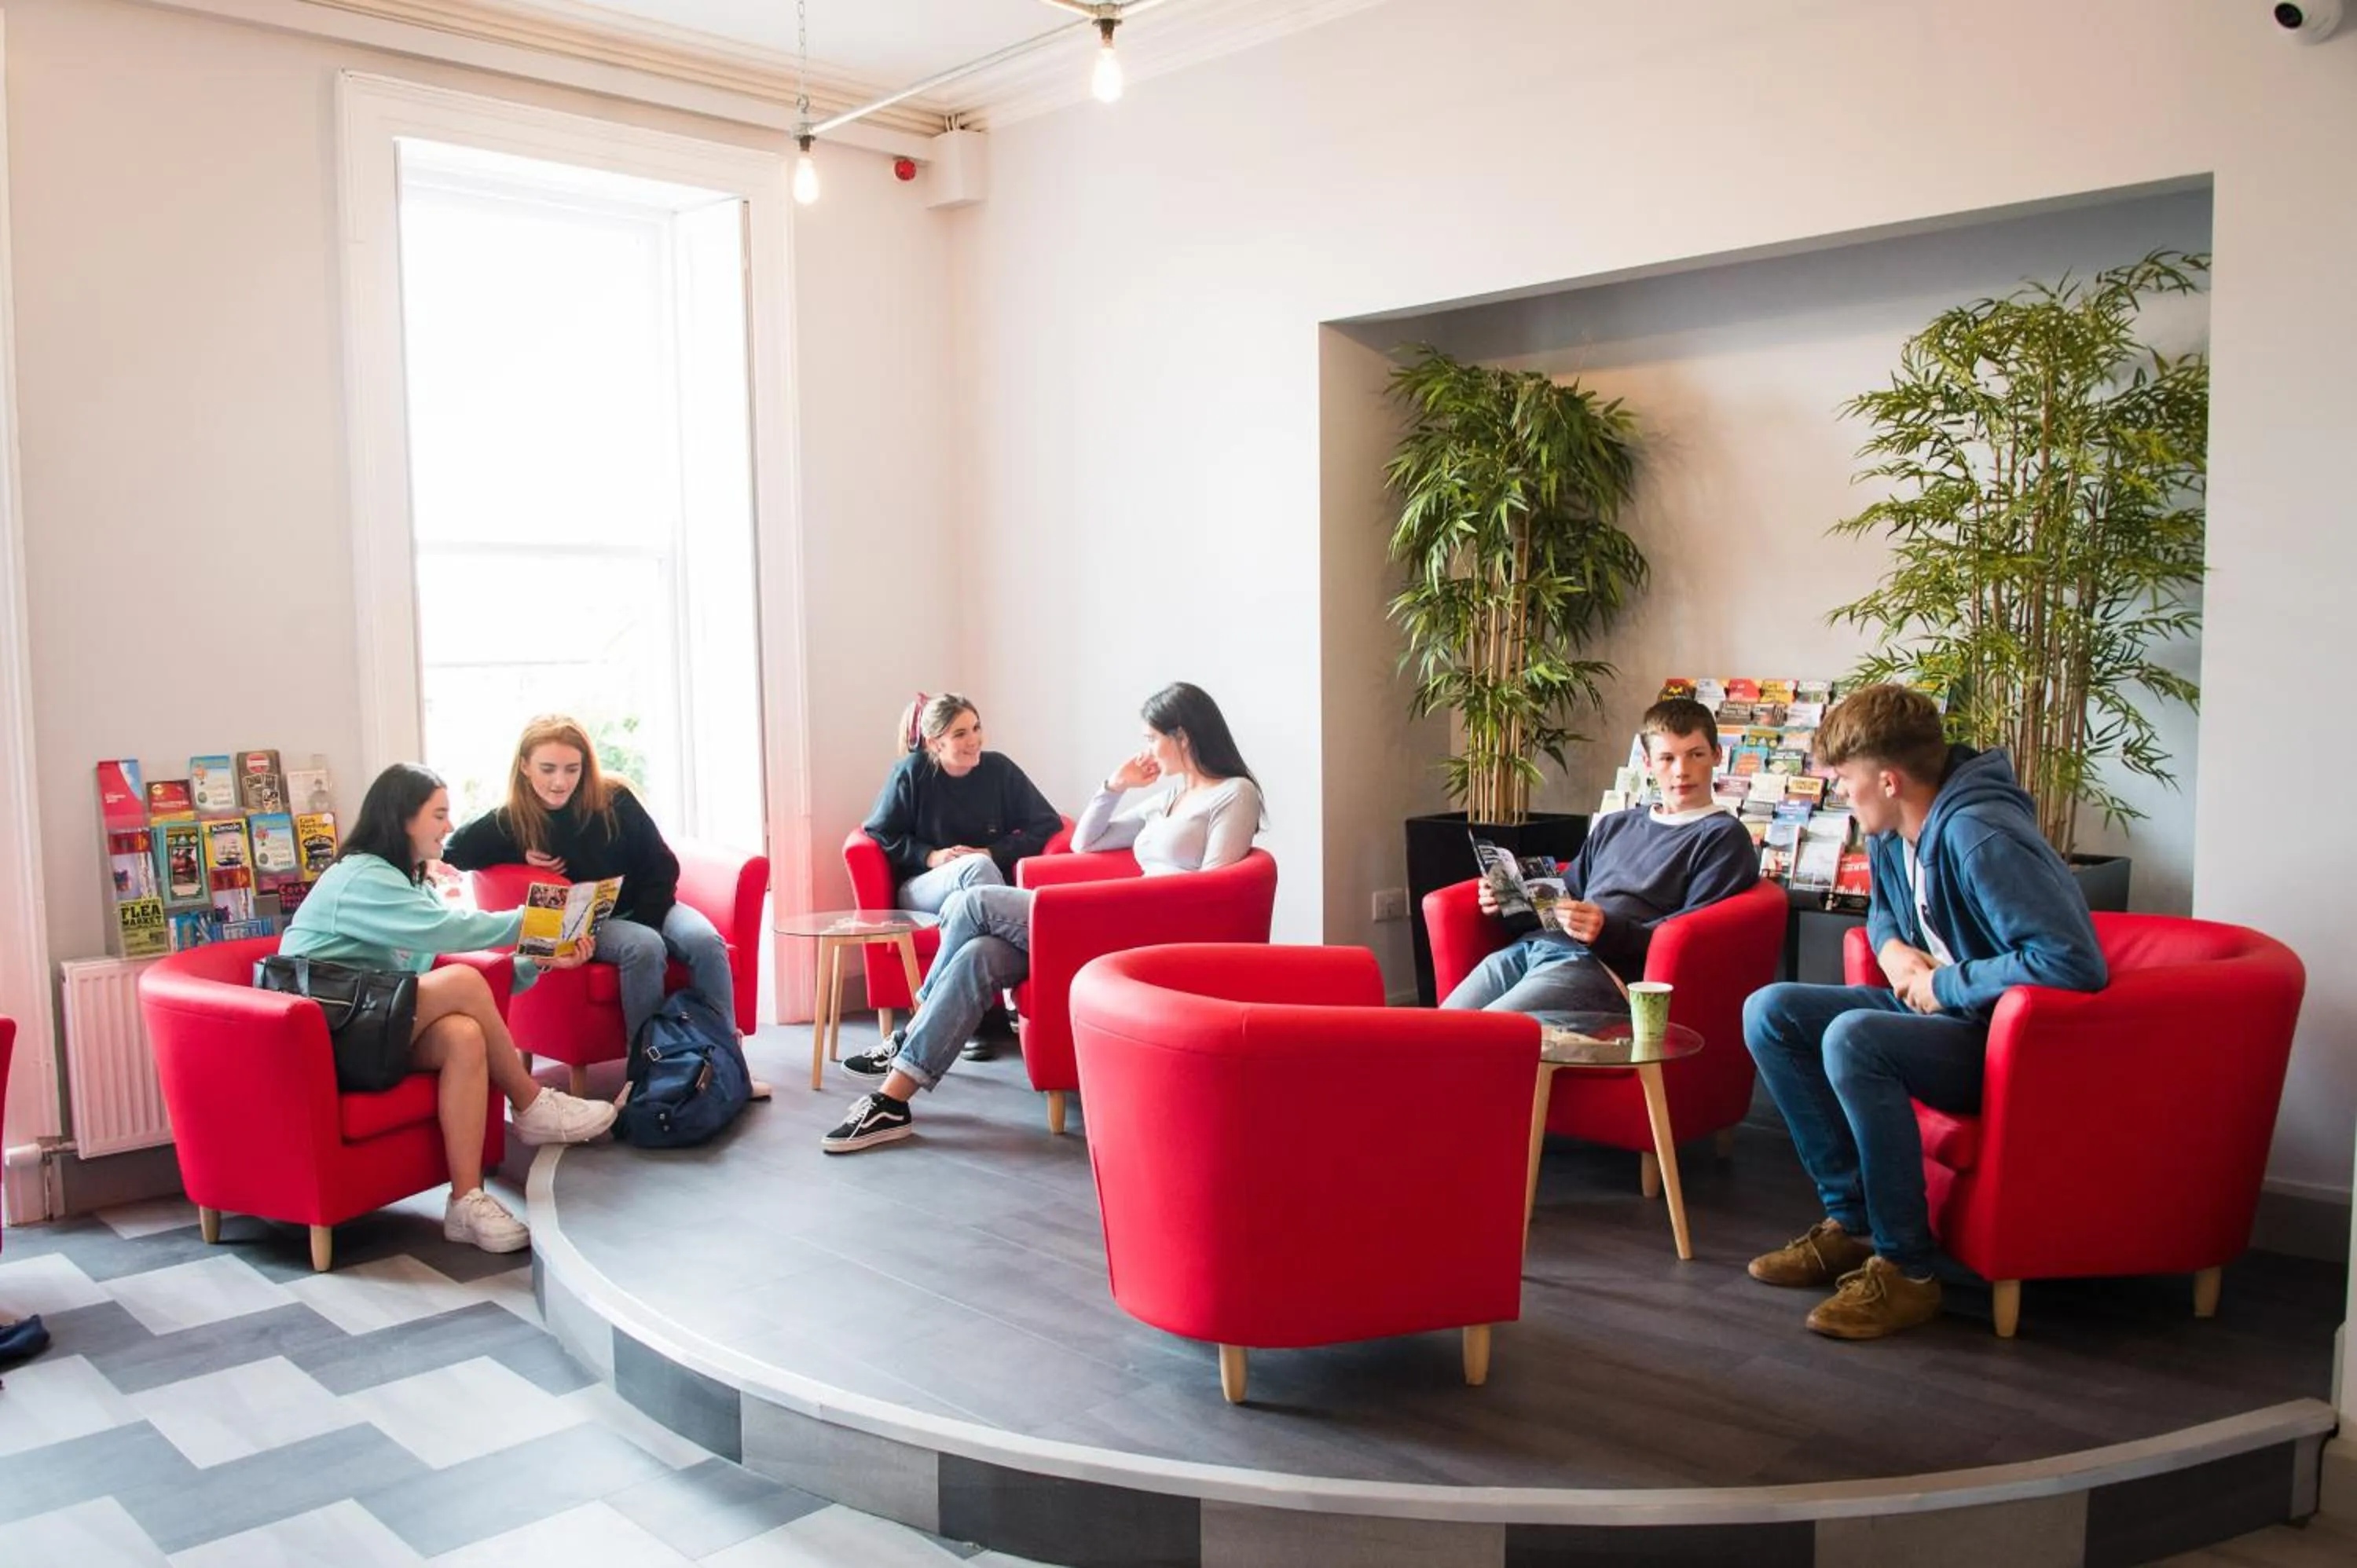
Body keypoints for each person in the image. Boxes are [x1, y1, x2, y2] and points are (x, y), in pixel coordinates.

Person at [1743, 683, 2106, 1339]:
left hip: (1998, 1039)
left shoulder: (1980, 834)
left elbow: (2072, 961)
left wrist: (1948, 986)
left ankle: (1907, 1270)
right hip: (1942, 1018)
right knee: (1771, 1011)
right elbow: (1884, 913)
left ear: (1888, 780)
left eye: (1844, 780)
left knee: (1854, 1038)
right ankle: (1853, 1223)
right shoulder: (1892, 826)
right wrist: (1891, 953)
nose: (1838, 792)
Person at [825, 681, 1265, 1154]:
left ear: (1183, 736)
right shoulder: (1173, 797)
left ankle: (911, 1029)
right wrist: (1114, 787)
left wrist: (1125, 902)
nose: (1147, 750)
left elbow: (1211, 895)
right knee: (979, 955)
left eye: (1151, 738)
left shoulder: (1233, 794)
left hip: (1149, 931)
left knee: (974, 902)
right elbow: (1085, 842)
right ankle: (893, 1101)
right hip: (1128, 917)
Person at [278, 763, 617, 1254]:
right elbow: (451, 933)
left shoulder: (412, 884)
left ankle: (466, 1202)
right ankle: (529, 1102)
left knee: (463, 1036)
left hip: (372, 1025)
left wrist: (541, 961)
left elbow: (441, 963)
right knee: (460, 980)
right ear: (402, 819)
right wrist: (536, 919)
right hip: (324, 1034)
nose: (450, 827)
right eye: (438, 815)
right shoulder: (359, 877)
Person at [442, 716, 761, 1093]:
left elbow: (661, 863)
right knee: (644, 946)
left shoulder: (615, 799)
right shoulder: (514, 819)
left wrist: (648, 916)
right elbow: (454, 850)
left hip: (652, 905)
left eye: (571, 769)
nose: (560, 781)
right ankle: (648, 1077)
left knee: (706, 942)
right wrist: (521, 854)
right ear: (525, 766)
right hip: (591, 922)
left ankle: (729, 1066)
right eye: (547, 769)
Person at [1443, 698, 1758, 1015]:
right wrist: (1507, 901)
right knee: (1439, 1025)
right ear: (1648, 763)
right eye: (1667, 758)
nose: (1681, 771)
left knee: (1487, 1031)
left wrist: (1605, 930)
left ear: (1717, 755)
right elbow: (1564, 898)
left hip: (1601, 969)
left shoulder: (1723, 837)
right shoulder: (1615, 824)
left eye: (1696, 755)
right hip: (1537, 946)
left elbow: (1690, 936)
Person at [863, 692, 1064, 1061]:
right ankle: (1002, 1006)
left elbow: (1047, 823)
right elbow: (879, 831)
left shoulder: (998, 770)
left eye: (976, 728)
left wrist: (993, 852)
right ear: (935, 743)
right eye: (960, 734)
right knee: (976, 871)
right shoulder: (912, 773)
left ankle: (961, 1019)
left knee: (967, 896)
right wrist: (931, 856)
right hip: (922, 886)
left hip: (973, 897)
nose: (974, 740)